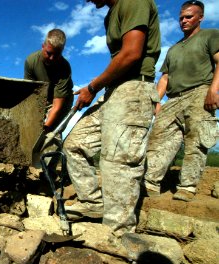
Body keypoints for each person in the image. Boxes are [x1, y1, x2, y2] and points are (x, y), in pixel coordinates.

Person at [63, 0, 161, 236]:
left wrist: (92, 86)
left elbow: (131, 54)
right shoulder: (111, 14)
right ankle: (93, 203)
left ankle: (118, 233)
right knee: (75, 144)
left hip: (134, 88)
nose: (88, 0)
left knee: (119, 162)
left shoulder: (132, 1)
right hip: (113, 90)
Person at [144, 0, 219, 202]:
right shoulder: (174, 48)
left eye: (189, 17)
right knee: (158, 137)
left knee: (196, 139)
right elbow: (165, 78)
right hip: (174, 98)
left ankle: (187, 186)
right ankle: (150, 183)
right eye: (181, 18)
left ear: (200, 17)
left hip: (199, 92)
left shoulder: (210, 35)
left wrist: (213, 90)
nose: (183, 21)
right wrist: (155, 101)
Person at [24, 29, 74, 177]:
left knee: (53, 134)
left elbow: (57, 106)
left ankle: (48, 175)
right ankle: (22, 167)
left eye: (56, 55)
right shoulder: (31, 61)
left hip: (62, 101)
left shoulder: (64, 67)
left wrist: (44, 129)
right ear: (43, 46)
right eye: (48, 53)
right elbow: (29, 93)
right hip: (42, 97)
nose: (52, 58)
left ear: (62, 52)